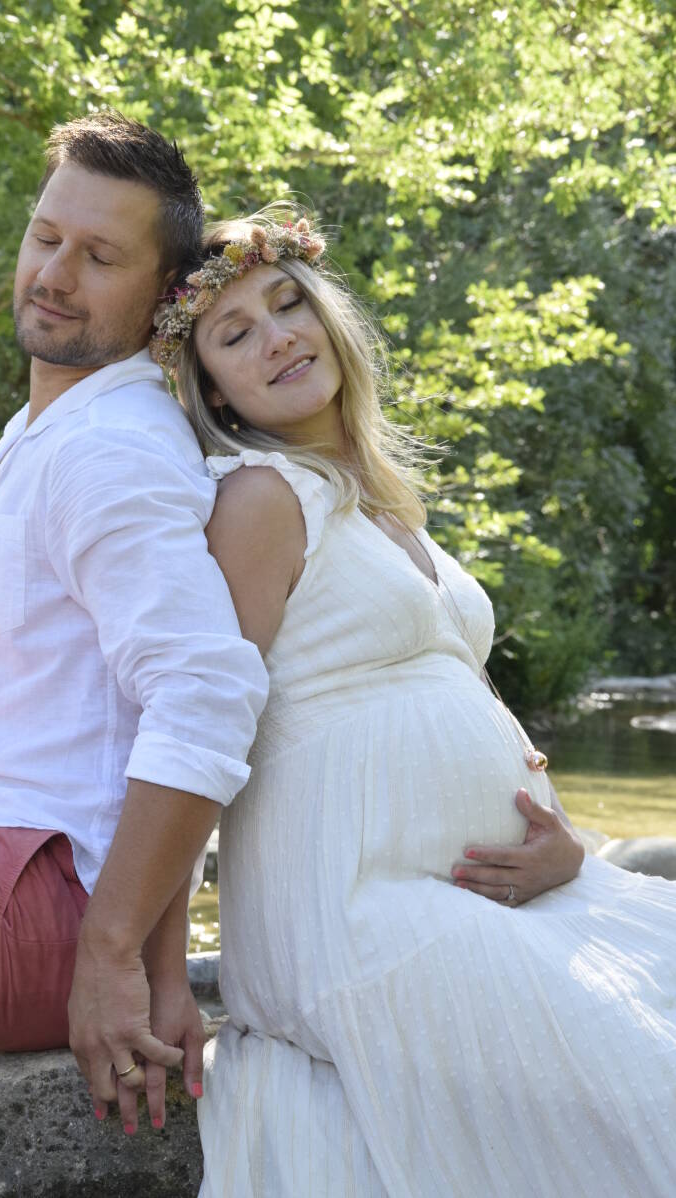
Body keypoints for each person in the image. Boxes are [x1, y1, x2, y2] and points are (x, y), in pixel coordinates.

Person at [150, 209, 676, 1196]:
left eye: (288, 303)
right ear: (211, 386)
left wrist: (565, 842)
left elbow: (456, 696)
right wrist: (161, 973)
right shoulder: (259, 500)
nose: (278, 337)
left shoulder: (386, 505)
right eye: (235, 333)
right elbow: (193, 736)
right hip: (349, 912)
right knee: (644, 1077)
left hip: (489, 894)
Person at [0, 112, 269, 1136]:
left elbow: (206, 691)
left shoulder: (114, 450)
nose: (54, 274)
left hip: (37, 915)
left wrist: (114, 954)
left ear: (163, 293)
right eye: (46, 236)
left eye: (99, 256)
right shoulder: (50, 426)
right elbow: (11, 670)